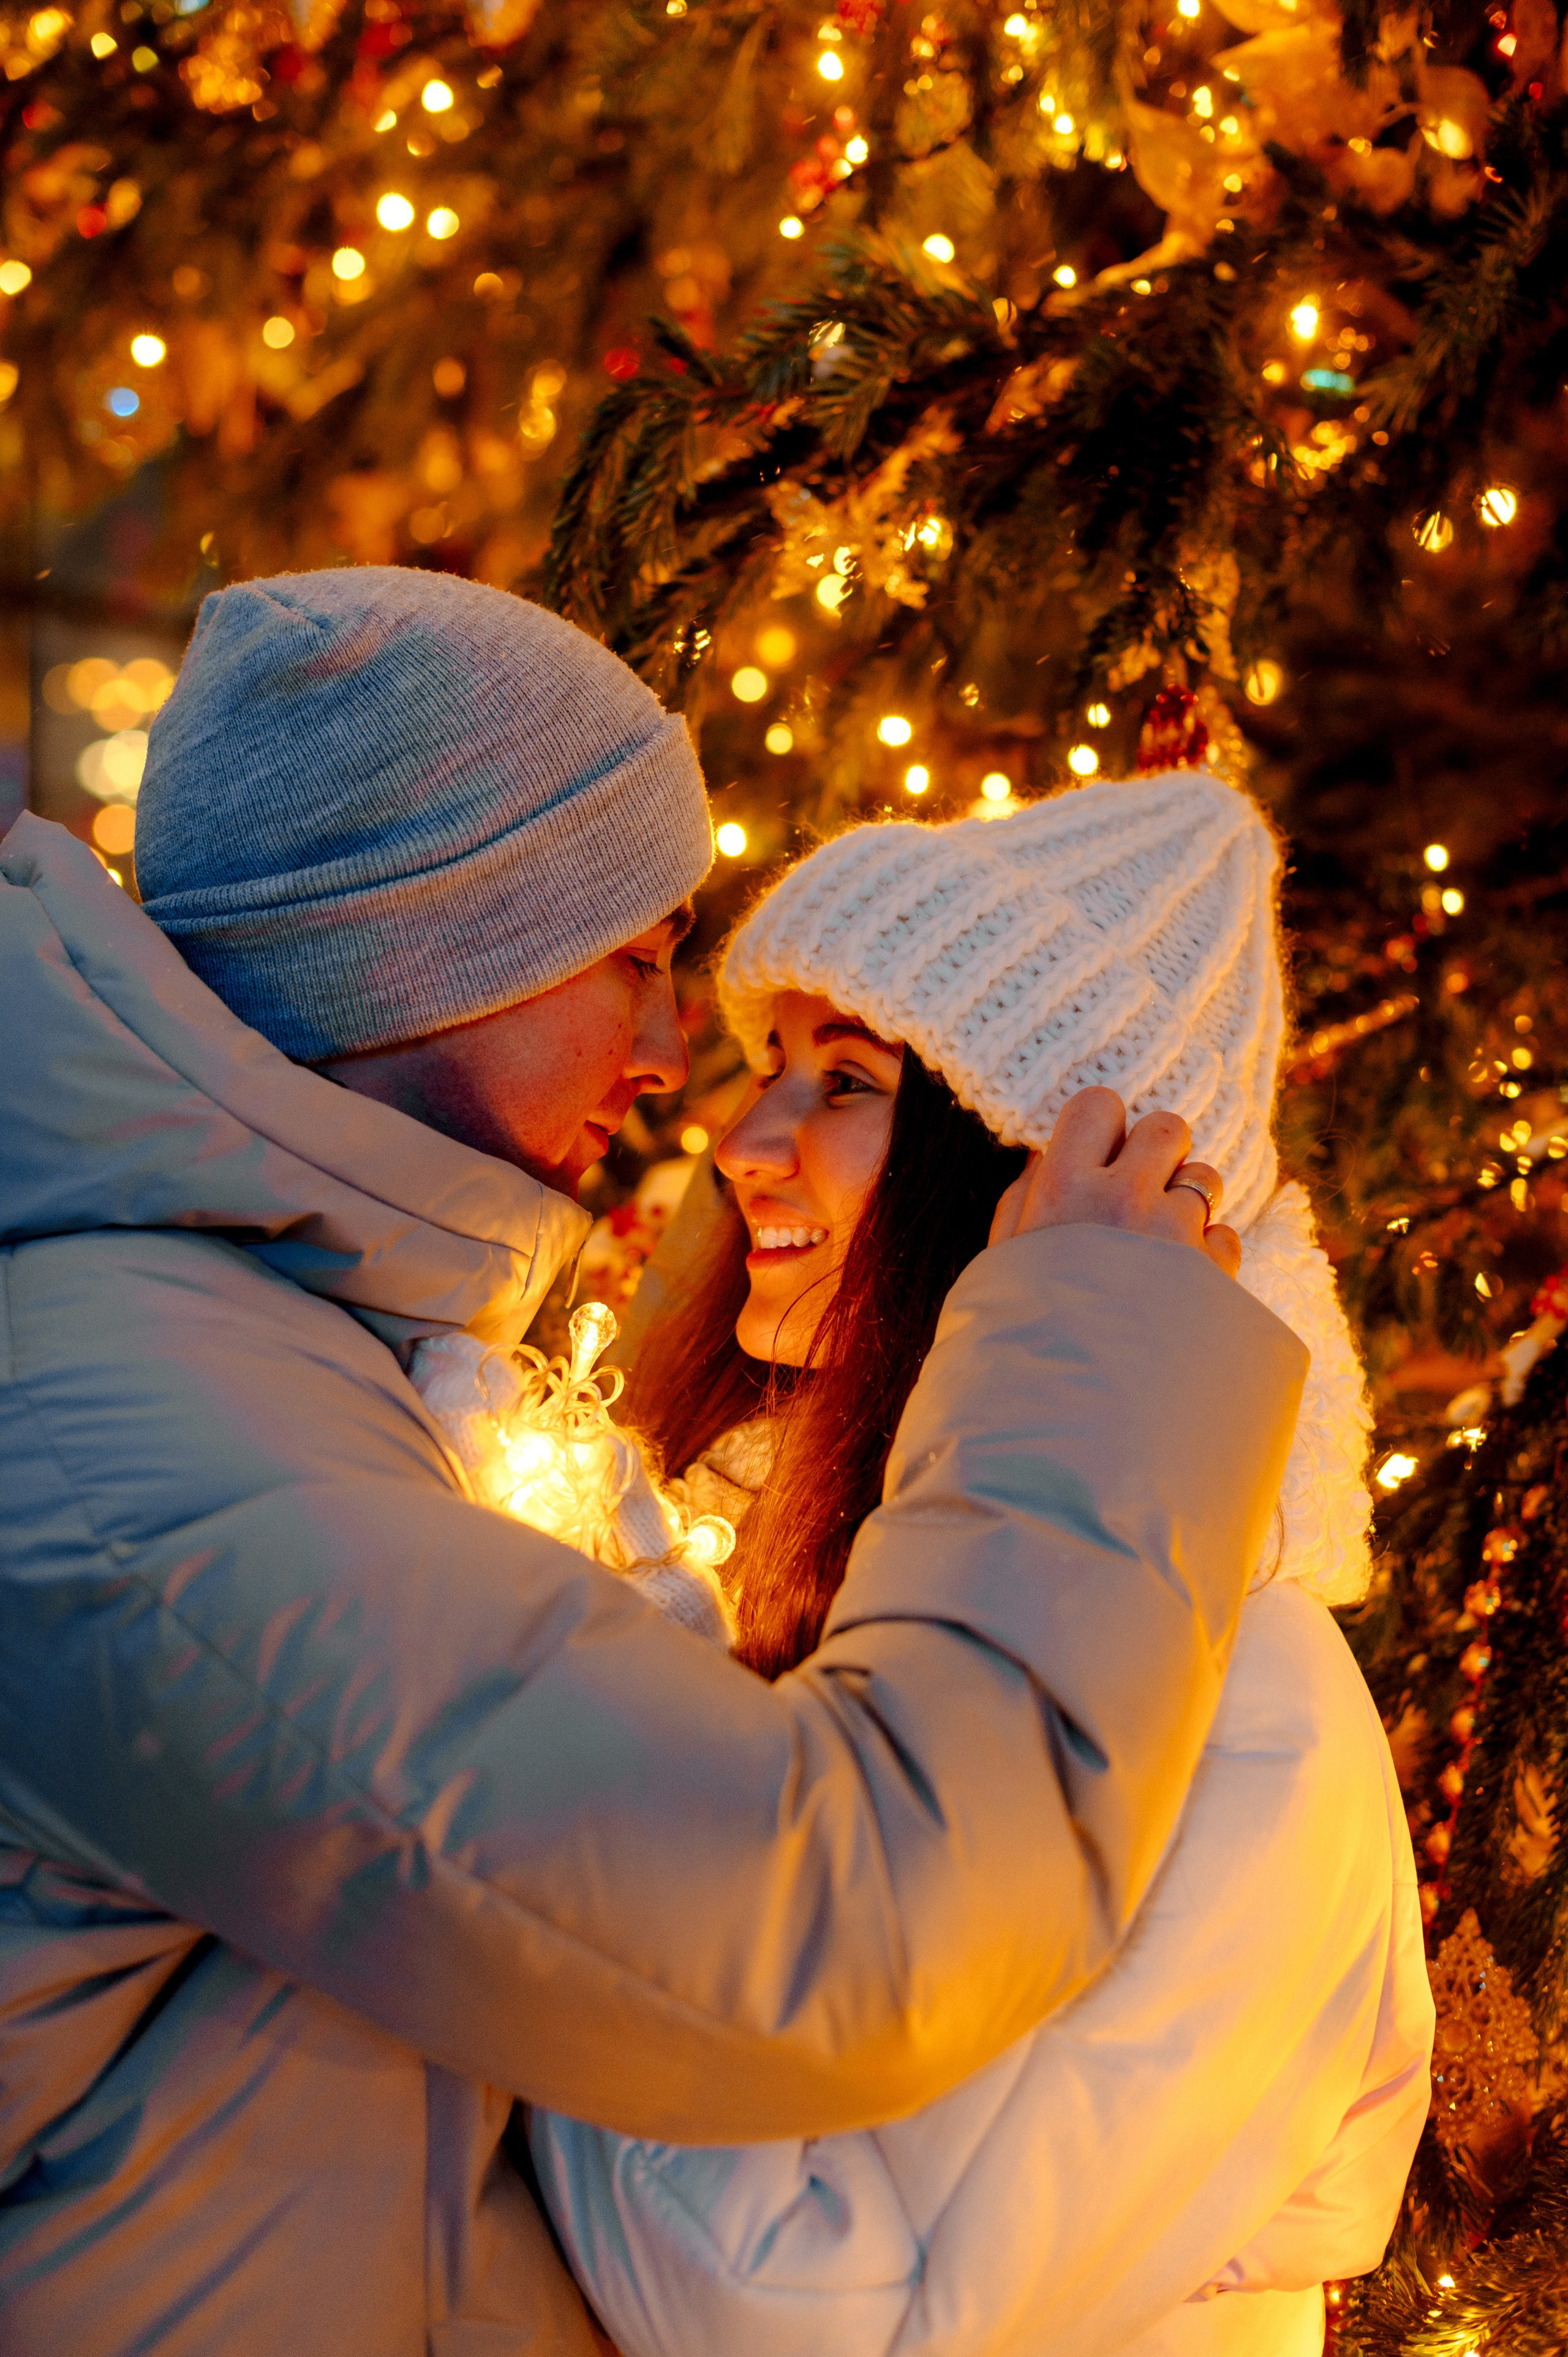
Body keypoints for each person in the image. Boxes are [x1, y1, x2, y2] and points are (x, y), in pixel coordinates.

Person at [0, 569, 1308, 2356]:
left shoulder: (254, 1368)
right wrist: (1099, 1351)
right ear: (428, 956)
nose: (682, 1066)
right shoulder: (161, 1438)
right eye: (638, 963)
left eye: (840, 1081)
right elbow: (830, 1932)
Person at [530, 774, 1434, 2357]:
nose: (744, 1142)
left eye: (850, 1082)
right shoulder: (776, 1569)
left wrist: (532, 1853)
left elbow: (826, 2316)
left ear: (1029, 1177)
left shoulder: (1251, 1709)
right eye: (767, 1070)